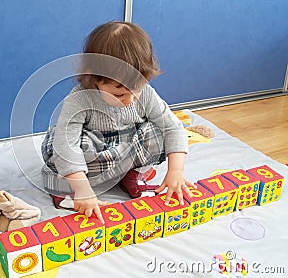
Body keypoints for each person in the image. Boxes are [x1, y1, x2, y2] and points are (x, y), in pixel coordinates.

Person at [41, 21, 194, 223]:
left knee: (158, 131)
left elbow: (173, 128)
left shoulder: (145, 94)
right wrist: (83, 189)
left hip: (124, 151)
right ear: (94, 78)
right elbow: (66, 147)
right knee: (74, 149)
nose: (130, 99)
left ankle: (131, 175)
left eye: (137, 90)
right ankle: (72, 188)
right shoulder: (80, 99)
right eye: (119, 94)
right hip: (93, 157)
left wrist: (176, 171)